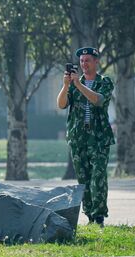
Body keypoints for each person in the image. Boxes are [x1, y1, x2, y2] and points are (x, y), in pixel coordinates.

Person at [57, 47, 115, 227]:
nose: (84, 64)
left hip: (98, 138)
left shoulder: (105, 82)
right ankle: (90, 215)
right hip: (78, 137)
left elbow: (98, 100)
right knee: (83, 179)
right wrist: (66, 85)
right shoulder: (73, 84)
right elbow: (61, 105)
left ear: (96, 62)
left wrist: (78, 85)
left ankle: (99, 216)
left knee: (98, 177)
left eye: (87, 60)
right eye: (81, 61)